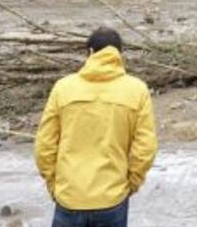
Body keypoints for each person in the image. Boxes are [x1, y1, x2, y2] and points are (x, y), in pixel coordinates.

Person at [35, 27, 158, 227]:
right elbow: (145, 147)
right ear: (120, 54)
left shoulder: (63, 88)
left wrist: (53, 185)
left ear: (90, 52)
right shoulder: (136, 90)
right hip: (112, 198)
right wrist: (131, 183)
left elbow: (44, 146)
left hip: (69, 197)